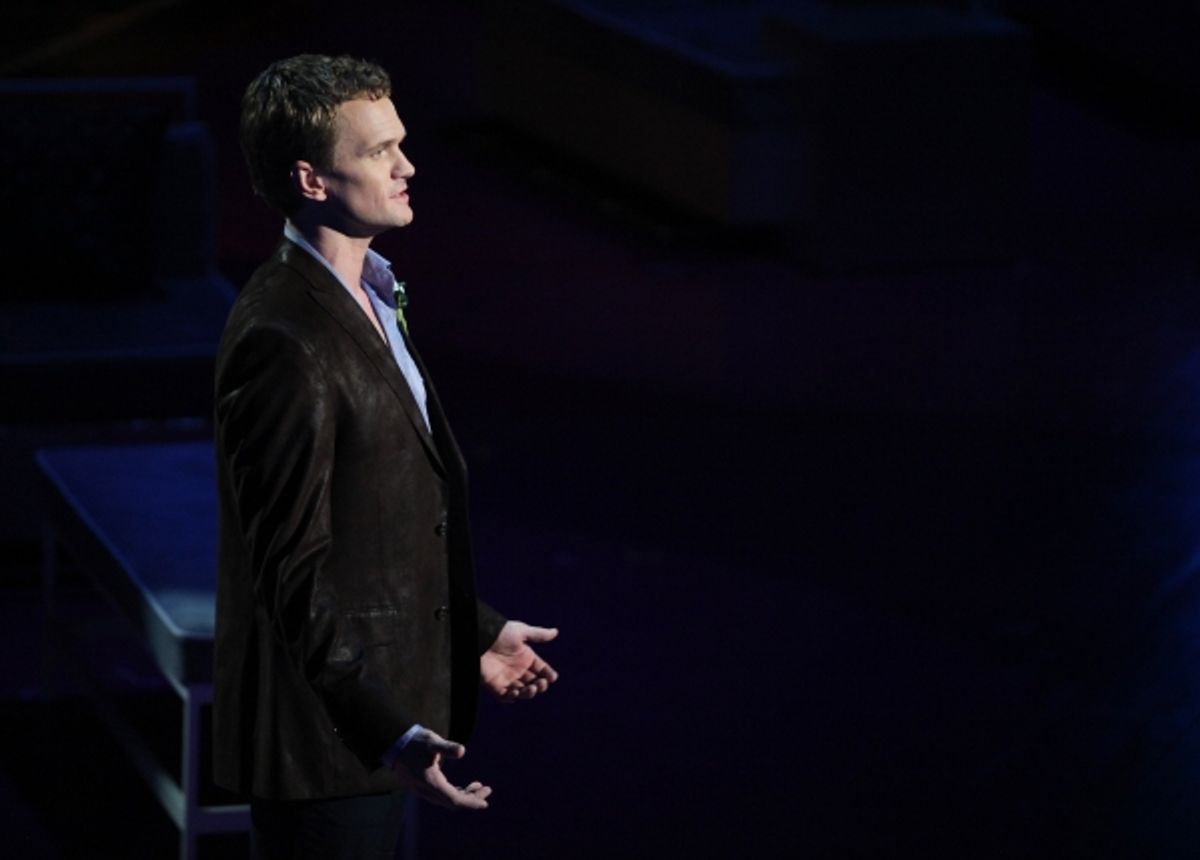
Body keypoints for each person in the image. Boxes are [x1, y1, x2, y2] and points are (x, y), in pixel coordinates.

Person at [211, 53, 559, 859]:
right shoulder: (284, 339)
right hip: (326, 752)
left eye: (399, 143)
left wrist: (472, 630)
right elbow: (291, 573)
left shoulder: (370, 290)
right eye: (377, 151)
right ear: (311, 179)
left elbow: (376, 523)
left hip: (373, 725)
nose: (407, 166)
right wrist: (387, 731)